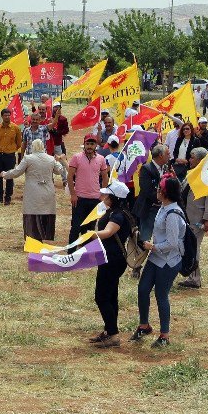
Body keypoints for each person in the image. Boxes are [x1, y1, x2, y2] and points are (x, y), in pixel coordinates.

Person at [132, 176, 185, 347]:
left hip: (168, 261)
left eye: (159, 189)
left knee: (161, 295)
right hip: (156, 258)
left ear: (165, 193)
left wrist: (152, 247)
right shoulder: (163, 207)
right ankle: (144, 325)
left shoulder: (172, 214)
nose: (156, 191)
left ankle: (164, 335)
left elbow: (172, 243)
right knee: (142, 289)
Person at [88, 180, 134, 349]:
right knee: (111, 295)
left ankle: (113, 335)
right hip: (113, 259)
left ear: (114, 197)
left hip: (111, 260)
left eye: (107, 194)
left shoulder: (118, 215)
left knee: (101, 296)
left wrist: (92, 235)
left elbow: (108, 232)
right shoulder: (122, 212)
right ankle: (109, 330)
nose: (104, 196)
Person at [0, 138, 66, 242]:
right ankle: (43, 236)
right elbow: (59, 171)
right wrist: (58, 160)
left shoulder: (28, 158)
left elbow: (17, 172)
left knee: (32, 213)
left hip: (33, 191)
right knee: (45, 212)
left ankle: (32, 238)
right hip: (48, 190)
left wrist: (4, 174)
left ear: (32, 147)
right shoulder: (50, 159)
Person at [177, 147, 208, 288]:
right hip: (188, 216)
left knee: (193, 248)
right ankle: (192, 276)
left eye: (192, 157)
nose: (189, 159)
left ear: (201, 159)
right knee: (190, 246)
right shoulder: (193, 173)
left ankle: (194, 279)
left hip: (197, 218)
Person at [67, 134, 110, 244]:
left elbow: (105, 177)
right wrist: (73, 194)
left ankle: (85, 254)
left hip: (95, 199)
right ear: (84, 144)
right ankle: (71, 253)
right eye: (87, 144)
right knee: (76, 227)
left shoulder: (101, 159)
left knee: (89, 229)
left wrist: (103, 195)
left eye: (92, 144)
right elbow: (70, 176)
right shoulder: (77, 157)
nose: (89, 146)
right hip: (79, 199)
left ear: (96, 145)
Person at [134, 145, 170, 243]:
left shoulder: (167, 167)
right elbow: (147, 190)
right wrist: (163, 199)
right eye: (167, 154)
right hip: (149, 208)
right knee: (145, 238)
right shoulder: (146, 168)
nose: (169, 156)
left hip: (161, 208)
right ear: (160, 155)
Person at [0, 108, 21, 205]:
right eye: (5, 115)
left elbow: (19, 143)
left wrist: (11, 149)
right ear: (2, 116)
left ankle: (8, 197)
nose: (7, 117)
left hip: (10, 155)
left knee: (9, 176)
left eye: (9, 115)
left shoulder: (16, 128)